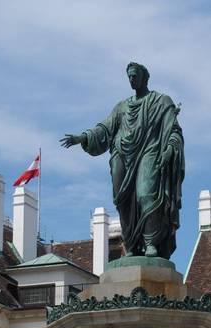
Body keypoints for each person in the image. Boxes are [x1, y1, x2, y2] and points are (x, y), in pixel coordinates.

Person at [60, 62, 185, 259]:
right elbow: (105, 128)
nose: (131, 80)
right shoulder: (122, 107)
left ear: (144, 78)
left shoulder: (161, 102)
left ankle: (150, 242)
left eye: (134, 76)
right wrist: (82, 137)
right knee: (122, 200)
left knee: (146, 194)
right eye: (129, 77)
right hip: (122, 154)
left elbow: (174, 131)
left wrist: (170, 149)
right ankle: (131, 244)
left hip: (150, 151)